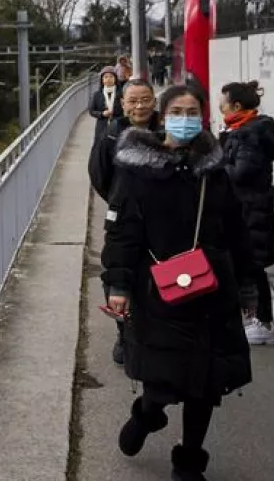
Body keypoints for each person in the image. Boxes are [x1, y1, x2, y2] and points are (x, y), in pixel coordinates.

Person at [103, 85, 257, 481]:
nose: (186, 118)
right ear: (163, 115)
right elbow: (121, 234)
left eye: (193, 111)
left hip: (212, 293)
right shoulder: (137, 170)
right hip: (159, 294)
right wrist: (117, 286)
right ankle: (147, 413)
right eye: (178, 110)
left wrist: (247, 285)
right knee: (163, 380)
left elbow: (237, 230)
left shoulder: (214, 169)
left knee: (205, 386)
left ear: (203, 116)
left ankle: (188, 462)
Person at [88, 79, 160, 366]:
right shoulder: (111, 135)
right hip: (124, 218)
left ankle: (156, 332)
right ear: (122, 104)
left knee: (157, 275)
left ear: (154, 101)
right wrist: (120, 202)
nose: (140, 106)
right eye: (133, 101)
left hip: (163, 219)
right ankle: (125, 333)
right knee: (119, 272)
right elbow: (99, 174)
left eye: (145, 99)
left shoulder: (166, 130)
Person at [218, 80, 274, 346]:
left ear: (236, 105)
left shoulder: (248, 134)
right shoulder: (243, 130)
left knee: (253, 267)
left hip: (250, 212)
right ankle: (253, 317)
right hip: (249, 210)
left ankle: (263, 322)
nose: (220, 108)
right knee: (247, 266)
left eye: (223, 104)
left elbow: (241, 173)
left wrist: (217, 164)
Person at [89, 67, 125, 143]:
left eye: (111, 77)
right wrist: (102, 114)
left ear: (115, 79)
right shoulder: (97, 95)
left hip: (118, 124)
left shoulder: (122, 94)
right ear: (102, 80)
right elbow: (91, 111)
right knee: (100, 146)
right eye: (106, 77)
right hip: (102, 125)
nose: (108, 79)